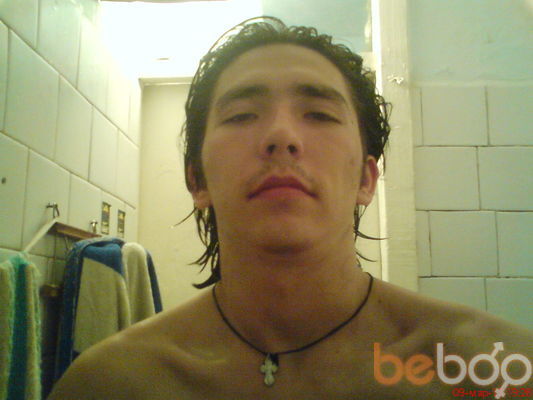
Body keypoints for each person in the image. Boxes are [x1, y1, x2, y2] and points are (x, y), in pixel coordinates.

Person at [48, 17, 531, 399]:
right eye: (242, 115)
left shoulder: (491, 372)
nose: (281, 135)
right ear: (197, 180)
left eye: (319, 114)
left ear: (366, 179)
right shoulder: (111, 383)